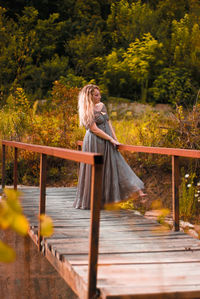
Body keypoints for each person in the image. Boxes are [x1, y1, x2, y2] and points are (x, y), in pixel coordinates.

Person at [74, 84, 146, 209]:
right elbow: (94, 129)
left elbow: (108, 122)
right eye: (96, 95)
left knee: (116, 163)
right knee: (96, 169)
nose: (99, 97)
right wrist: (110, 138)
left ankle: (136, 190)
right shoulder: (87, 110)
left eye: (99, 94)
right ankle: (92, 202)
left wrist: (115, 139)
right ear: (89, 97)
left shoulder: (101, 106)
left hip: (108, 140)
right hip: (94, 142)